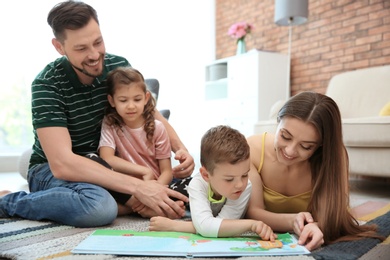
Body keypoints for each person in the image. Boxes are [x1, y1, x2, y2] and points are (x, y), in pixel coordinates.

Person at [0, 0, 195, 227]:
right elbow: (63, 165)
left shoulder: (118, 67)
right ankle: (8, 201)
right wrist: (139, 188)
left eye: (98, 42)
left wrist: (181, 149)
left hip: (106, 164)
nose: (94, 55)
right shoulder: (47, 84)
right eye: (82, 48)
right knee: (99, 208)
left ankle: (124, 203)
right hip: (56, 168)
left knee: (189, 191)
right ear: (59, 47)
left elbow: (153, 117)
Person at [245, 91, 384, 250]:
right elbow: (253, 212)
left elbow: (335, 215)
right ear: (278, 123)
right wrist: (293, 221)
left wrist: (318, 226)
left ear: (321, 145)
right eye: (285, 136)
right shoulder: (253, 150)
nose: (290, 151)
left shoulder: (332, 159)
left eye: (306, 146)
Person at [149, 125, 276, 241]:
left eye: (244, 175)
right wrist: (250, 224)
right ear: (206, 175)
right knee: (168, 199)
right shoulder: (197, 184)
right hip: (185, 190)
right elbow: (209, 226)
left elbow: (217, 225)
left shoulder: (245, 185)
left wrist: (175, 226)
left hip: (202, 210)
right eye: (229, 179)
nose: (239, 184)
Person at [97, 66, 187, 217]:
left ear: (146, 98)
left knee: (192, 186)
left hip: (158, 185)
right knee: (94, 165)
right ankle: (152, 208)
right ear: (112, 101)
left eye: (137, 99)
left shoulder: (157, 127)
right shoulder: (110, 123)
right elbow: (106, 158)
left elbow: (166, 171)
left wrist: (154, 192)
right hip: (127, 189)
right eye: (123, 100)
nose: (131, 106)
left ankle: (149, 208)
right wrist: (143, 172)